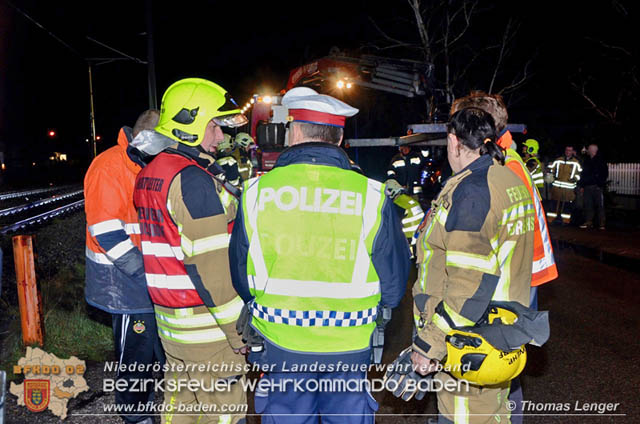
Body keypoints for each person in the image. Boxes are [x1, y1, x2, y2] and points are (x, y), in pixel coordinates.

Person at [229, 86, 411, 423]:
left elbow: (241, 274)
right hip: (350, 346)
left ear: (294, 131)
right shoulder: (371, 195)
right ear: (340, 138)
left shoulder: (257, 192)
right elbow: (395, 285)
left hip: (281, 346)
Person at [410, 107, 540, 424]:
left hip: (468, 340)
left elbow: (466, 288)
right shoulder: (509, 179)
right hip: (500, 332)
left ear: (454, 141)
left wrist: (429, 344)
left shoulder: (471, 192)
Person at [132, 78, 249, 424]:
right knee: (223, 415)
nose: (220, 137)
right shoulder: (193, 180)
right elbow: (211, 267)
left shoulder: (153, 171)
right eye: (214, 126)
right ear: (190, 126)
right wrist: (237, 331)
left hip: (172, 326)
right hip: (207, 330)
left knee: (180, 409)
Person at [84, 109, 164, 424]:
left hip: (146, 279)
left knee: (152, 353)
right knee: (136, 356)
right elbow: (106, 231)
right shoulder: (109, 166)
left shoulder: (140, 162)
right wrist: (147, 275)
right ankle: (135, 416)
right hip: (124, 285)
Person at [547, 145, 582, 224]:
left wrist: (574, 179)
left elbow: (579, 173)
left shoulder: (576, 162)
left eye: (570, 150)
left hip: (569, 189)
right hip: (557, 187)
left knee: (566, 205)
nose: (568, 152)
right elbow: (551, 170)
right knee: (554, 204)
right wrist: (550, 178)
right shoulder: (558, 160)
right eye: (567, 150)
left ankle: (565, 221)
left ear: (572, 152)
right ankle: (550, 220)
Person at [578, 143, 608, 230]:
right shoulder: (587, 160)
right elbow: (583, 174)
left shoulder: (600, 160)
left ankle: (602, 223)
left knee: (599, 205)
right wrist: (582, 185)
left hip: (596, 187)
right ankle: (589, 222)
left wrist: (599, 184)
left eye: (589, 149)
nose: (587, 150)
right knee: (588, 205)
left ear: (593, 150)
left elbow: (604, 174)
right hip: (588, 186)